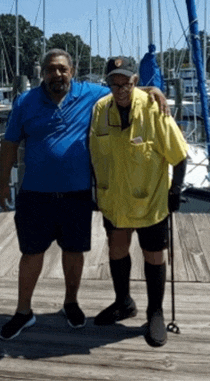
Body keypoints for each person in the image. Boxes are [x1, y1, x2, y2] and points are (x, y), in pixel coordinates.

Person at [0, 49, 169, 341]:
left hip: (76, 194)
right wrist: (2, 184)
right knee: (31, 255)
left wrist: (151, 90)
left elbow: (123, 88)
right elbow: (10, 143)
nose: (57, 74)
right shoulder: (25, 102)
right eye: (51, 69)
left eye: (63, 69)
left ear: (72, 71)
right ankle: (23, 311)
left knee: (73, 253)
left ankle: (71, 303)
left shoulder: (91, 95)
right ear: (42, 73)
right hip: (35, 194)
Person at [90, 56, 188, 347]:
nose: (120, 89)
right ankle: (123, 302)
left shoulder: (154, 108)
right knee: (117, 249)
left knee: (154, 256)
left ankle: (155, 312)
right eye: (114, 83)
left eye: (127, 83)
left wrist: (176, 191)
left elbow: (180, 154)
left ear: (135, 82)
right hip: (114, 200)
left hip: (150, 201)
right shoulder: (99, 109)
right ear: (107, 83)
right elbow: (95, 153)